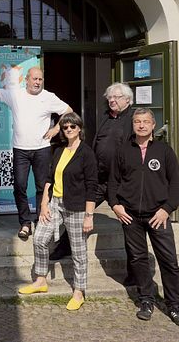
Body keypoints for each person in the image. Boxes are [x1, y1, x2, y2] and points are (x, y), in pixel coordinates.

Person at [0, 65, 72, 240]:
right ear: (27, 80)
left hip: (42, 149)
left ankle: (41, 221)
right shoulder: (15, 94)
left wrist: (55, 130)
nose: (37, 82)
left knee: (43, 187)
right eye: (34, 79)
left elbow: (68, 111)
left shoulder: (49, 97)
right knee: (19, 187)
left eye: (40, 79)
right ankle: (25, 222)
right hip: (20, 150)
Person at [108, 108, 179, 327]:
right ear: (132, 125)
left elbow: (176, 186)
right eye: (137, 122)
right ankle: (146, 300)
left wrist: (167, 209)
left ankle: (174, 306)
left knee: (169, 261)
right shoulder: (123, 150)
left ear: (154, 125)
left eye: (145, 122)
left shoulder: (164, 150)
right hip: (131, 216)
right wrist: (115, 206)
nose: (141, 125)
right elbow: (113, 183)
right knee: (138, 260)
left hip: (158, 216)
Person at [18, 112, 97, 310]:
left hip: (77, 207)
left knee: (78, 252)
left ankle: (79, 292)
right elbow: (48, 179)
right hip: (55, 203)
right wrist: (44, 204)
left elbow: (92, 186)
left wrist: (89, 216)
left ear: (79, 128)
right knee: (39, 239)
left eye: (72, 126)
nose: (68, 130)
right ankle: (41, 280)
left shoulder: (86, 153)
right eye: (65, 127)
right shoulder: (59, 150)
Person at [51, 82, 134, 261]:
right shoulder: (106, 116)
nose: (111, 100)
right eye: (109, 97)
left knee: (129, 222)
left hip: (120, 181)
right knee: (79, 211)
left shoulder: (134, 119)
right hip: (99, 178)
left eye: (116, 97)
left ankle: (134, 268)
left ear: (127, 99)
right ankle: (64, 248)